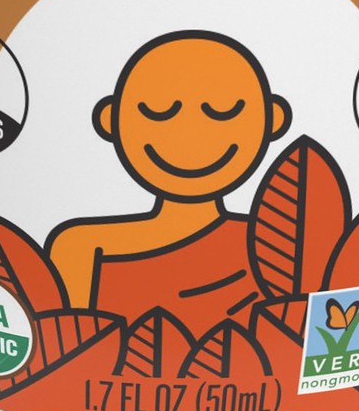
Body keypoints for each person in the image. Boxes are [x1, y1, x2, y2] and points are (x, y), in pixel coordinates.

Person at [48, 30, 292, 332]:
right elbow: (68, 339)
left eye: (223, 111)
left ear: (272, 119)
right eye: (158, 112)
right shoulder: (82, 247)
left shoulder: (271, 240)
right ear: (111, 120)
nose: (191, 129)